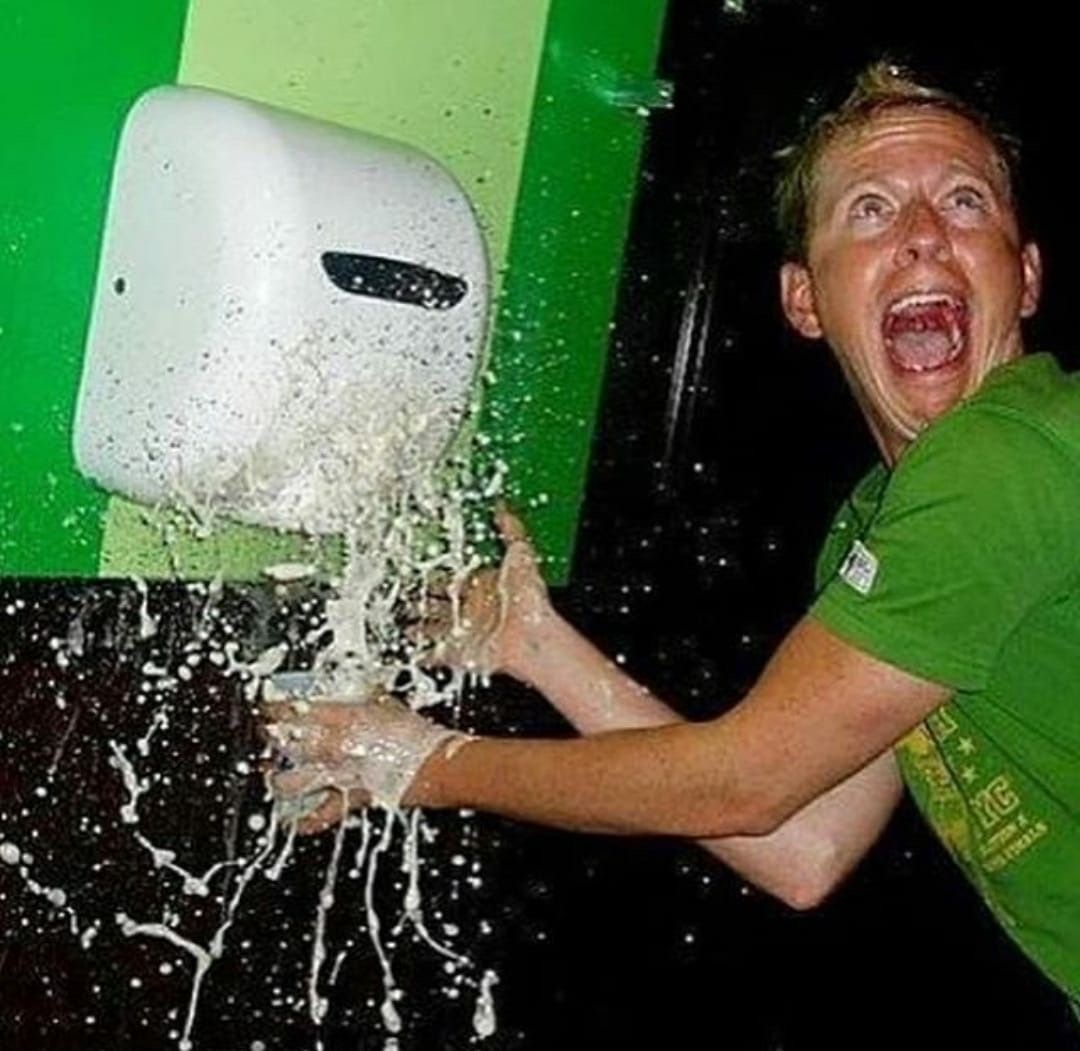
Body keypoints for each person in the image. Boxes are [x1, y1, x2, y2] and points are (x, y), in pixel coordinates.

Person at [264, 63, 1080, 1007]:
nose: (925, 236)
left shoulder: (1014, 453)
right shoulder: (881, 523)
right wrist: (538, 647)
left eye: (966, 200)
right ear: (803, 298)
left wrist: (423, 766)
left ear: (1024, 277)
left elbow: (747, 780)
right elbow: (799, 845)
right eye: (869, 209)